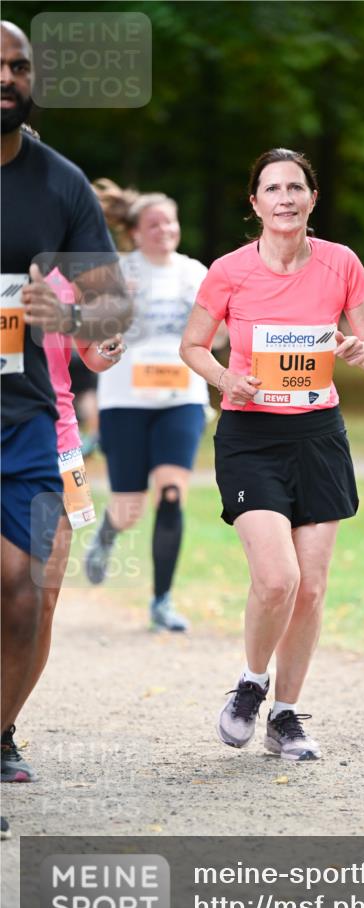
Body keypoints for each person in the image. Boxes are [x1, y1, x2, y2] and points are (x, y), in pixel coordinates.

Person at [180, 148, 364, 762]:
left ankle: (287, 716)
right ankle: (251, 682)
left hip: (319, 435)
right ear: (256, 203)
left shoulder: (340, 264)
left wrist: (360, 349)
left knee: (313, 588)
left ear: (312, 198)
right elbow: (193, 345)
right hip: (250, 436)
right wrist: (225, 380)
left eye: (296, 187)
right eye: (272, 188)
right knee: (278, 579)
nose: (285, 198)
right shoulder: (228, 271)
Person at [1, 22, 130, 831]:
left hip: (26, 423)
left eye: (18, 65)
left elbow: (114, 305)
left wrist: (74, 311)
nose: (7, 77)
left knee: (25, 596)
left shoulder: (60, 183)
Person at [84, 182, 226, 631]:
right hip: (124, 399)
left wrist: (223, 334)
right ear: (134, 232)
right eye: (154, 223)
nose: (165, 229)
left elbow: (217, 335)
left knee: (170, 494)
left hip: (181, 398)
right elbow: (91, 332)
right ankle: (107, 534)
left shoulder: (196, 274)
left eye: (171, 220)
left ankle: (161, 602)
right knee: (129, 507)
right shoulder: (115, 270)